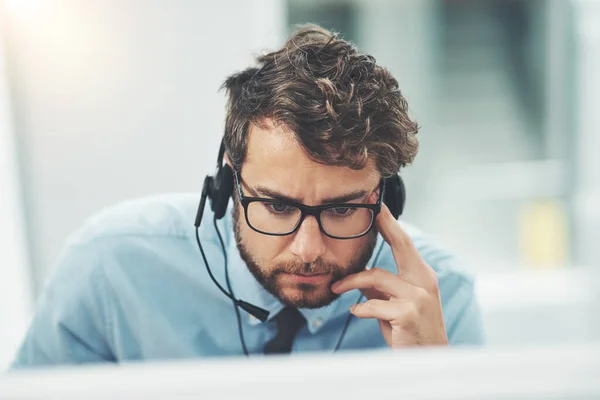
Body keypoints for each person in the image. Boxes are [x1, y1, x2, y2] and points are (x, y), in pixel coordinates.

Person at [11, 24, 484, 368]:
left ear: (387, 199)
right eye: (278, 206)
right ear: (227, 186)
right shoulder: (109, 266)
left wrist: (432, 377)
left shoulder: (440, 297)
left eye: (341, 209)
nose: (309, 250)